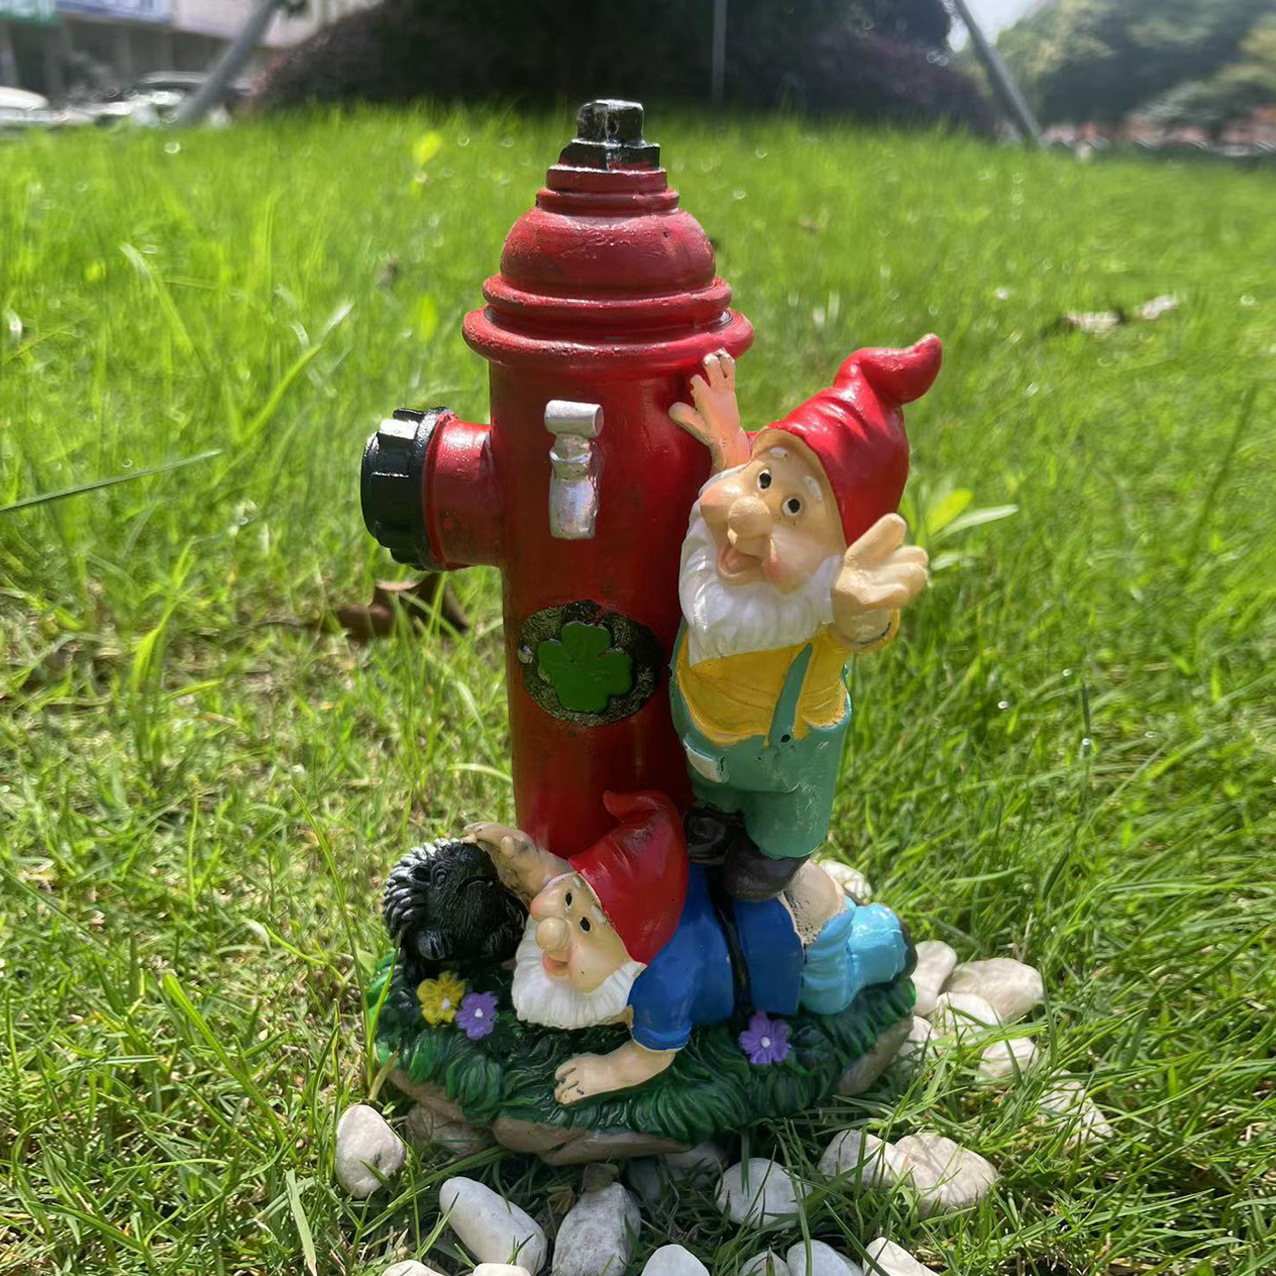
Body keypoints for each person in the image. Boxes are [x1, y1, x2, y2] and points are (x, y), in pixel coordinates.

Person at [667, 337, 941, 901]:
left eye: (795, 509)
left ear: (844, 553)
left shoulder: (827, 602)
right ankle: (717, 810)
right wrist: (731, 446)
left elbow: (863, 630)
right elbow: (738, 486)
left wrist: (858, 610)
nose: (748, 516)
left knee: (761, 863)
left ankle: (778, 849)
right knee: (708, 804)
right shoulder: (725, 563)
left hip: (786, 767)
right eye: (763, 480)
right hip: (706, 736)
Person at [467, 790, 909, 1106]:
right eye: (566, 902)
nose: (550, 931)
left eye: (583, 927)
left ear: (632, 949)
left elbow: (653, 1055)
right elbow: (570, 882)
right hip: (748, 907)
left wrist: (607, 1071)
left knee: (831, 997)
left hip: (801, 939)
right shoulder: (616, 925)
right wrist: (526, 858)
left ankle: (886, 937)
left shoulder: (661, 986)